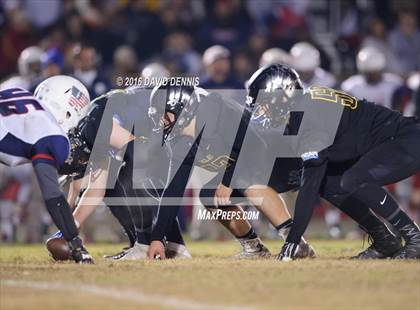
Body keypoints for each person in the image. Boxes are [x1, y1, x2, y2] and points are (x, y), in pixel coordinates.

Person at [246, 64, 420, 260]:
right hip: (390, 142)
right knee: (328, 184)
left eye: (263, 103)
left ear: (282, 96)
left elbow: (308, 188)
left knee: (354, 179)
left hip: (404, 140)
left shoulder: (308, 119)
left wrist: (292, 241)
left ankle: (415, 238)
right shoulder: (304, 108)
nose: (260, 110)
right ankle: (384, 240)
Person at [146, 84, 316, 260]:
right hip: (251, 167)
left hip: (285, 158)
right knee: (208, 195)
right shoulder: (181, 143)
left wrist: (228, 181)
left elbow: (253, 146)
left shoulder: (216, 110)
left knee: (244, 179)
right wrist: (158, 238)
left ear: (182, 107)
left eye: (164, 115)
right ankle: (253, 248)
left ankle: (295, 242)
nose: (160, 122)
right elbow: (173, 189)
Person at [58, 86, 190, 260]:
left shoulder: (93, 126)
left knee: (130, 175)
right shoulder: (88, 134)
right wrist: (69, 227)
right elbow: (97, 190)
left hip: (175, 117)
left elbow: (138, 155)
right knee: (115, 184)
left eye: (82, 162)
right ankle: (173, 246)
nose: (84, 165)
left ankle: (144, 245)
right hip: (159, 125)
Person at [0, 76, 93, 263]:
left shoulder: (21, 94)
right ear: (67, 112)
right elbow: (52, 195)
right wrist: (75, 244)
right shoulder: (50, 133)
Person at [341, 46, 403, 110]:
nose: (373, 76)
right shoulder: (352, 86)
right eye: (369, 73)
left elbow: (401, 108)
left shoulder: (394, 84)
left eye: (375, 72)